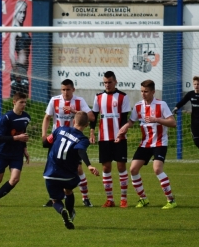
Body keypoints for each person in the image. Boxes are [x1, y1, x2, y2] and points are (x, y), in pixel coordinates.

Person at [116, 79, 177, 209]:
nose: (143, 94)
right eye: (142, 91)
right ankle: (143, 199)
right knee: (133, 169)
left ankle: (171, 200)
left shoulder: (161, 104)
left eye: (146, 91)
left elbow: (173, 123)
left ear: (153, 92)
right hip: (145, 143)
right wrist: (125, 127)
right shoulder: (138, 106)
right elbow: (132, 121)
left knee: (157, 169)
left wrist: (157, 119)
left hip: (160, 142)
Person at [42, 79, 95, 207]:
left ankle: (85, 197)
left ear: (73, 90)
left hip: (73, 142)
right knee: (54, 168)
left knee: (78, 168)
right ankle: (55, 197)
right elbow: (47, 117)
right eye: (63, 90)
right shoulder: (54, 100)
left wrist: (74, 112)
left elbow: (91, 117)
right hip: (57, 141)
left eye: (68, 90)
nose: (65, 92)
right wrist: (44, 135)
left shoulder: (79, 101)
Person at [43, 111, 99, 229]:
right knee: (68, 190)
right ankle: (70, 212)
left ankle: (62, 210)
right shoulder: (83, 139)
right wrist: (89, 165)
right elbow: (81, 151)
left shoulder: (60, 129)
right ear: (87, 125)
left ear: (74, 121)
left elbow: (45, 143)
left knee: (55, 200)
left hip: (50, 173)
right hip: (68, 175)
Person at [89, 71, 131, 208]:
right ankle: (110, 200)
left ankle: (123, 199)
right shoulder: (98, 97)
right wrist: (92, 132)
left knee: (121, 166)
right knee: (106, 168)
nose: (107, 85)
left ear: (115, 82)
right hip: (104, 137)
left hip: (119, 137)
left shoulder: (123, 97)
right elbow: (94, 116)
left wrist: (120, 134)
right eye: (105, 82)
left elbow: (124, 119)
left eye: (109, 82)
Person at [9, 0, 31, 97]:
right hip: (19, 69)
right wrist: (16, 71)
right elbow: (11, 54)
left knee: (21, 97)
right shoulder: (14, 29)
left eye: (24, 12)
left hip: (23, 69)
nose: (22, 15)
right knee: (18, 97)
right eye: (20, 12)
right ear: (16, 12)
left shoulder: (23, 29)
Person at [172, 76, 199, 149]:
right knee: (197, 141)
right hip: (195, 122)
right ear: (193, 84)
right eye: (195, 84)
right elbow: (183, 101)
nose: (196, 86)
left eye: (198, 84)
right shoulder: (190, 94)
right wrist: (176, 108)